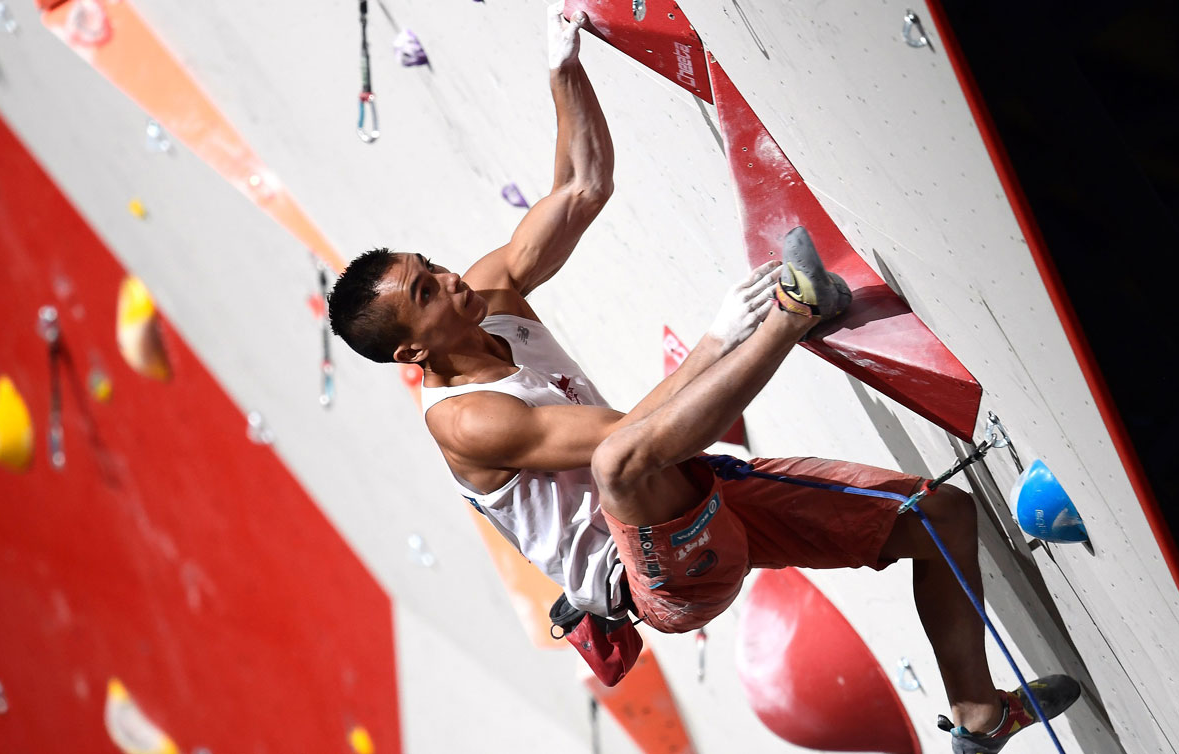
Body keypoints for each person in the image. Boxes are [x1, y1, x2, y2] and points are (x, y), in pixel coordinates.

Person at [327, 5, 1077, 752]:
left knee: (939, 516)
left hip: (692, 497)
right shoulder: (467, 422)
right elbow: (625, 441)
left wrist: (565, 71)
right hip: (658, 578)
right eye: (426, 293)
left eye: (430, 267)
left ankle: (980, 718)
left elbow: (583, 187)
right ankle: (792, 317)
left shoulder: (486, 295)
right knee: (618, 462)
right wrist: (725, 333)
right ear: (411, 356)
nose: (451, 279)